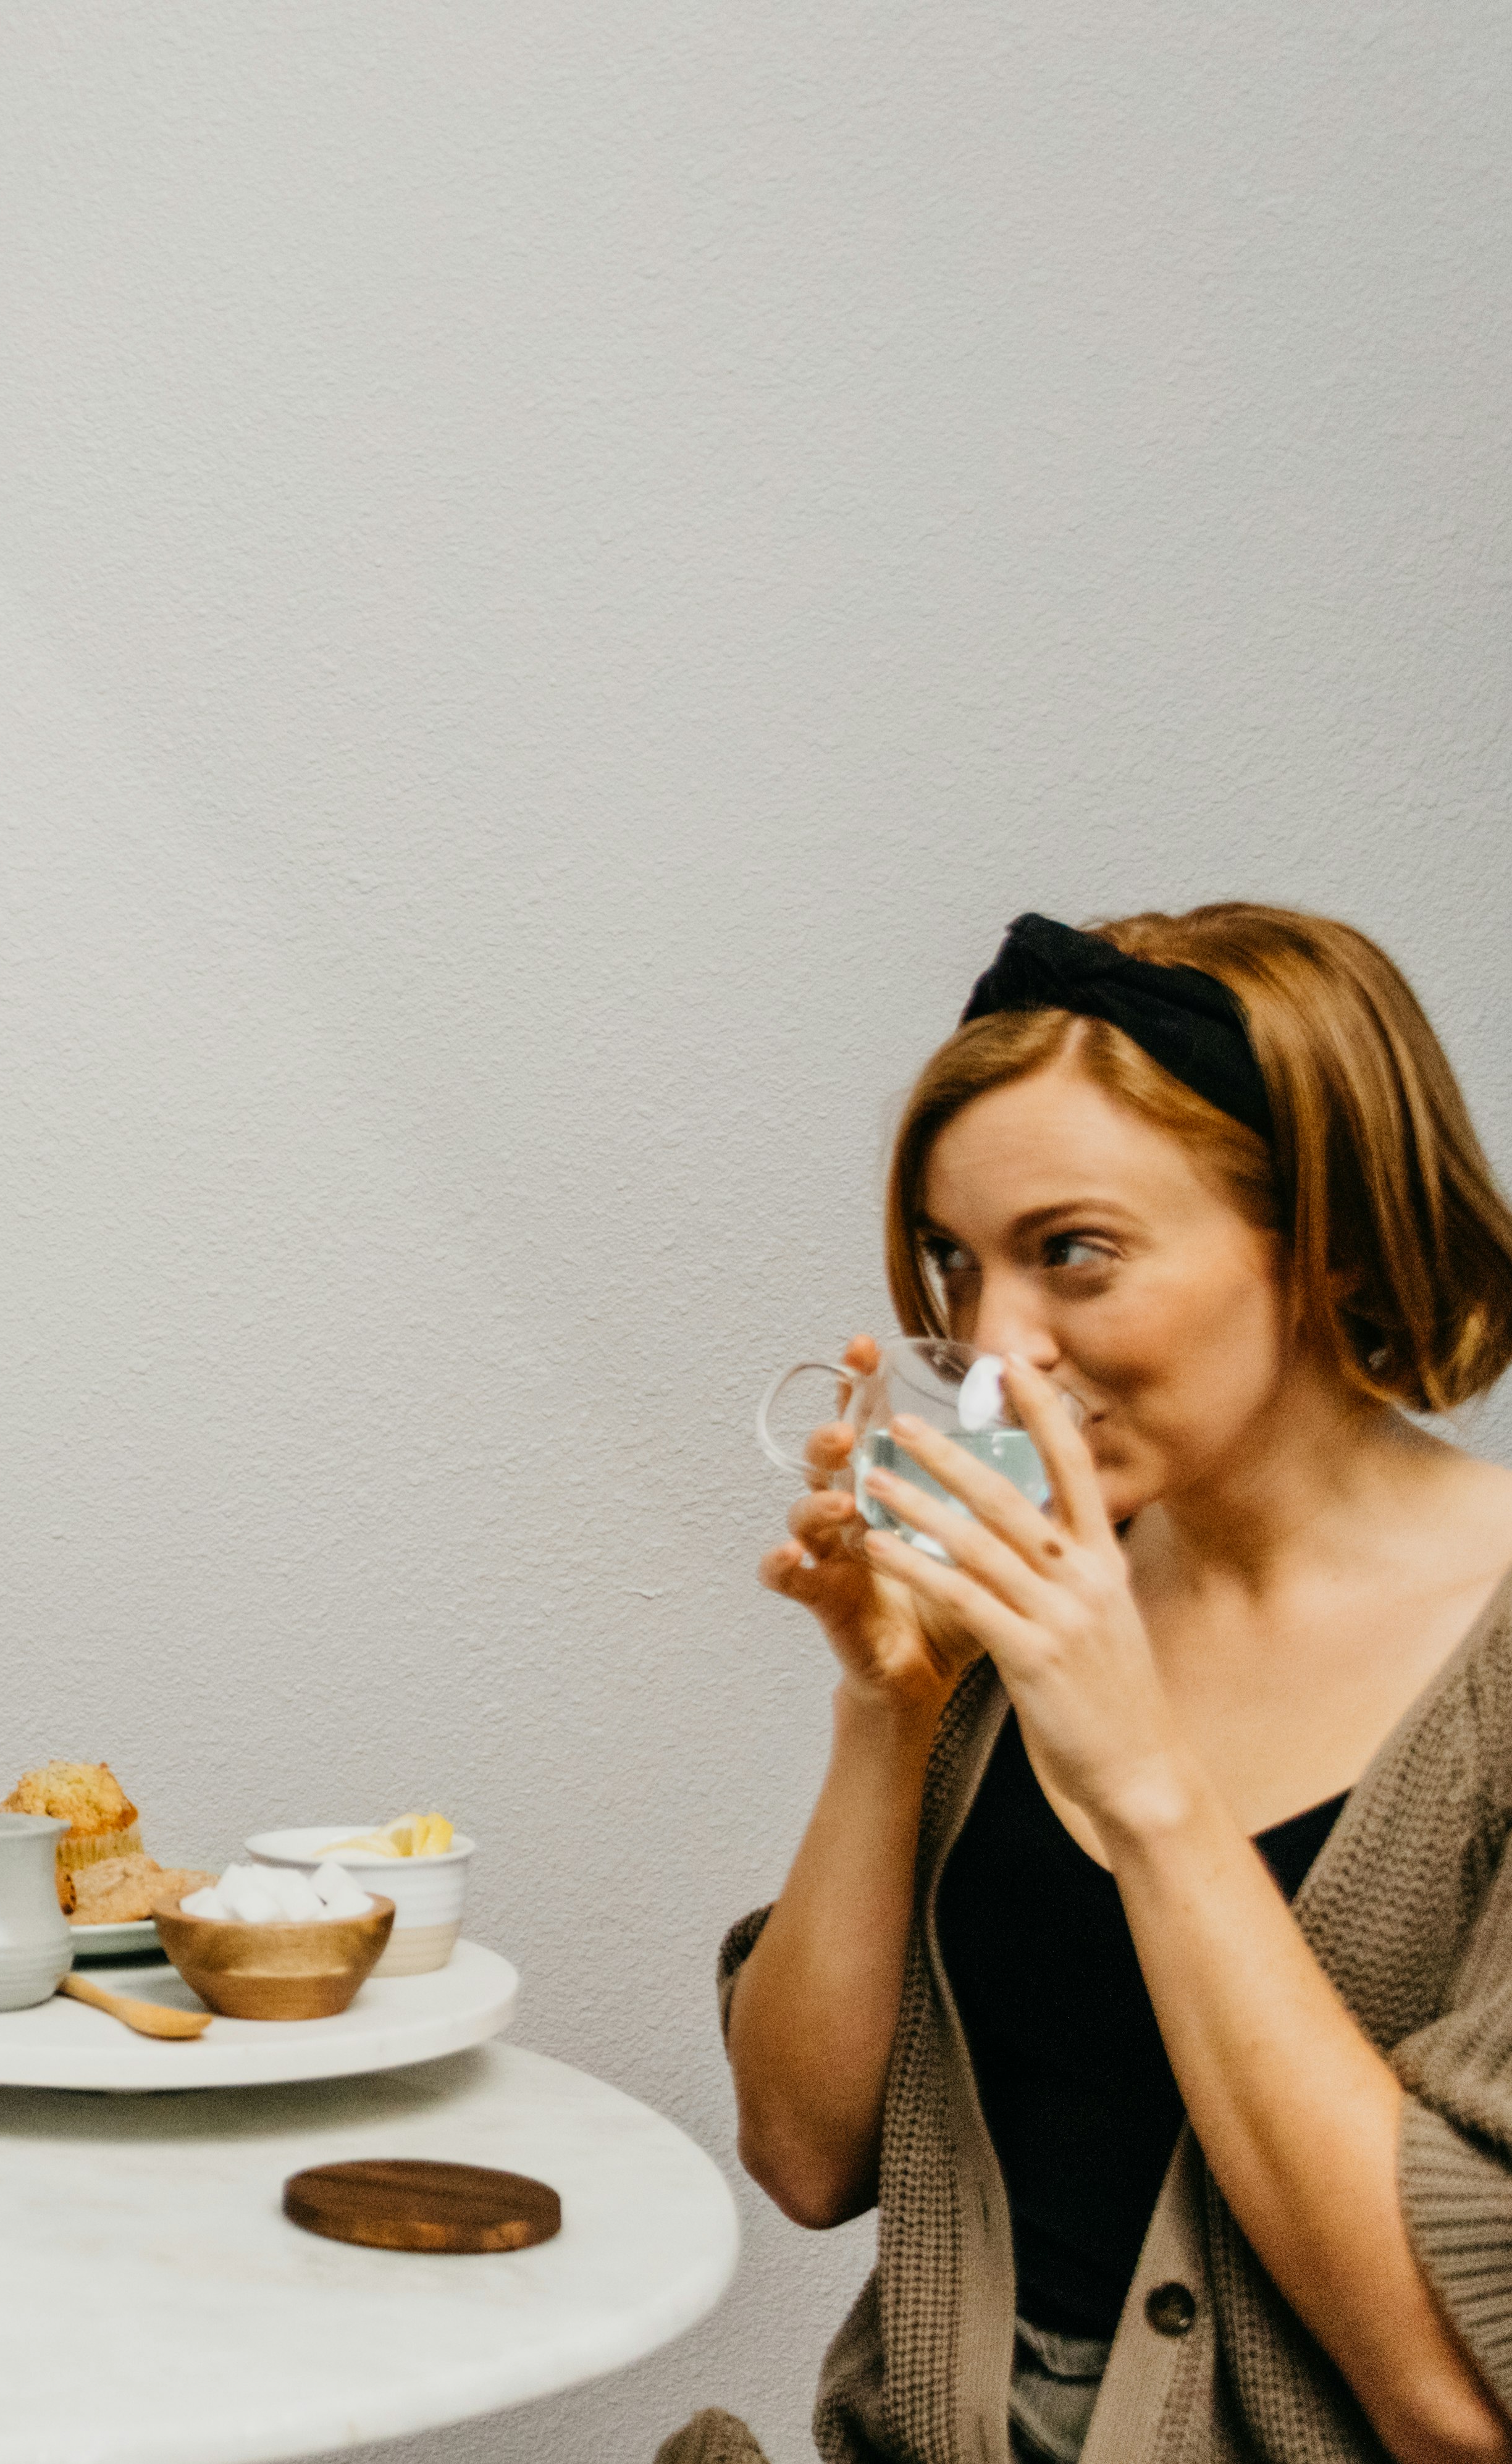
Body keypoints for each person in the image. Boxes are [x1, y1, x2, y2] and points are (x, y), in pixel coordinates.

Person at [669, 906, 1512, 2464]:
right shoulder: (1040, 1593)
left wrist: (1144, 1783)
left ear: (1323, 1240)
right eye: (953, 1262)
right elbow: (800, 2156)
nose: (992, 1353)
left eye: (1072, 1255)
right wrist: (889, 1711)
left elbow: (1462, 2404)